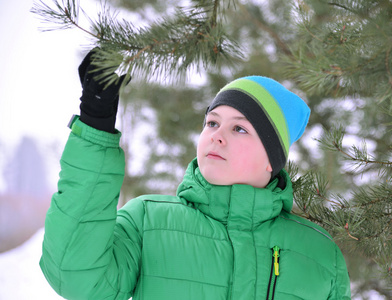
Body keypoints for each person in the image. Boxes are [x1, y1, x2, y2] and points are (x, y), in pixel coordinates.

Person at [40, 48, 351, 300]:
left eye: (239, 128)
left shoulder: (322, 256)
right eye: (212, 123)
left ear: (272, 159)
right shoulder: (147, 222)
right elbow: (75, 276)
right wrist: (96, 126)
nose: (216, 135)